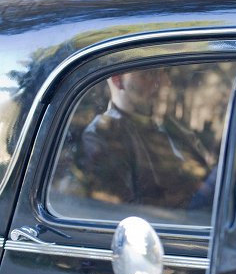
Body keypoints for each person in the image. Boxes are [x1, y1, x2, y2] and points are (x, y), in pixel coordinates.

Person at [80, 69, 212, 210]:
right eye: (148, 74)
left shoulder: (171, 126)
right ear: (118, 80)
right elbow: (119, 211)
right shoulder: (104, 134)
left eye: (162, 74)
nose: (163, 83)